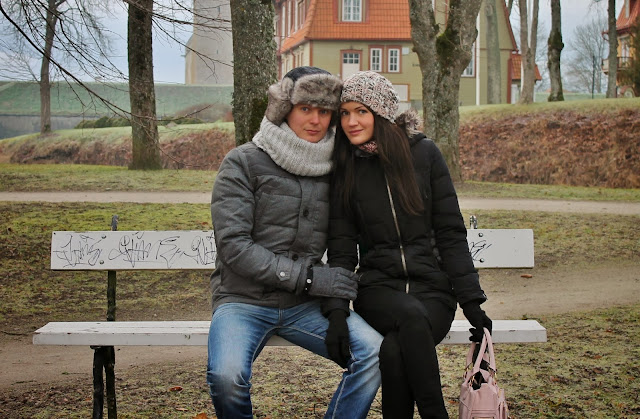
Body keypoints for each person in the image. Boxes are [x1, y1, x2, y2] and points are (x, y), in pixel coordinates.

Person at [206, 66, 382, 419]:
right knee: (226, 377)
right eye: (305, 109)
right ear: (285, 108)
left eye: (324, 111)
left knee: (375, 353)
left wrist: (334, 306)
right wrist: (309, 278)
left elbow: (346, 238)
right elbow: (234, 246)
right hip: (242, 301)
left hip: (304, 305)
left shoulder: (339, 168)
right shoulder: (243, 162)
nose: (315, 120)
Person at [328, 71, 493, 419]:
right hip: (378, 292)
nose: (351, 122)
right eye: (344, 113)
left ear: (382, 113)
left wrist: (471, 302)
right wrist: (338, 311)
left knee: (393, 350)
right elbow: (341, 246)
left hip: (433, 291)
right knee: (408, 315)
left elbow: (450, 232)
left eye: (361, 111)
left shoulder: (424, 154)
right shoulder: (346, 166)